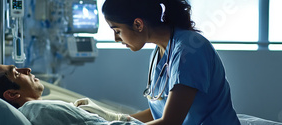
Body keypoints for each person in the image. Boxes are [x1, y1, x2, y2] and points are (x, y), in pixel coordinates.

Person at [77, 0, 240, 124]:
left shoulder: (190, 50)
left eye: (117, 31)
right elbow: (160, 112)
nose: (115, 39)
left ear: (138, 24)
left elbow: (170, 121)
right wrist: (115, 119)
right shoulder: (160, 52)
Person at [0, 61, 144, 125]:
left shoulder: (36, 111)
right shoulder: (39, 110)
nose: (27, 69)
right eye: (17, 73)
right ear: (13, 95)